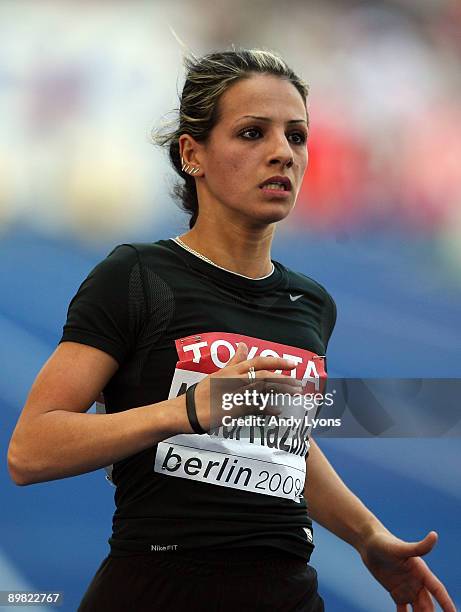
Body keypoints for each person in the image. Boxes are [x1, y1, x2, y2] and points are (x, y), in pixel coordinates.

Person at [7, 48, 455, 612]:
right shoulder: (137, 275)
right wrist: (187, 410)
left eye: (297, 136)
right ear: (193, 154)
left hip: (287, 591)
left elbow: (282, 443)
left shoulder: (311, 304)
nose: (281, 154)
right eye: (251, 133)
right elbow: (30, 450)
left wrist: (369, 536)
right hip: (159, 585)